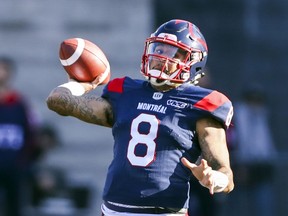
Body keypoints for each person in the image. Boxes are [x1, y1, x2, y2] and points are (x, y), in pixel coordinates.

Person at [46, 19, 234, 215]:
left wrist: (213, 178)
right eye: (159, 50)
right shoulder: (125, 91)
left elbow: (226, 176)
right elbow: (57, 100)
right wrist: (86, 84)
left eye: (172, 53)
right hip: (113, 210)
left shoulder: (203, 103)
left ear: (193, 62)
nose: (161, 57)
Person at [227, 85, 277, 216]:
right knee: (236, 207)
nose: (256, 104)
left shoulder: (263, 116)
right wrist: (238, 165)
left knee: (263, 207)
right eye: (252, 100)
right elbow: (235, 141)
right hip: (241, 166)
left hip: (261, 168)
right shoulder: (238, 116)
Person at [0, 56, 39, 216]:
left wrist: (24, 163)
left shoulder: (19, 103)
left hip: (13, 167)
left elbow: (31, 133)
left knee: (14, 207)